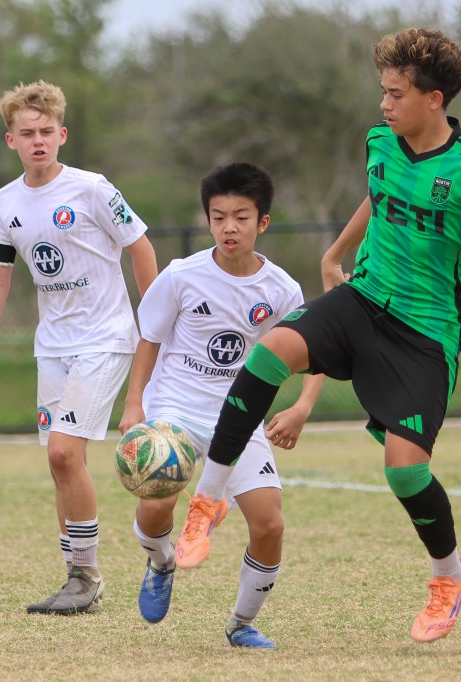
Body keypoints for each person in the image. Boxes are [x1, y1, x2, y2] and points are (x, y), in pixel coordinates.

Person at [173, 28, 461, 644]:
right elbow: (377, 197)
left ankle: (450, 577)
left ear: (434, 98)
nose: (384, 104)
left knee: (405, 471)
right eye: (382, 92)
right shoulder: (379, 142)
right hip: (364, 297)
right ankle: (206, 503)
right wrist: (337, 252)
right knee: (270, 353)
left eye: (396, 93)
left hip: (426, 330)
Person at [0, 80, 158, 615]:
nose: (38, 140)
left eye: (47, 131)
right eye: (28, 133)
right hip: (53, 346)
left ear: (62, 134)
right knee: (61, 465)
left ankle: (86, 576)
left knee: (63, 452)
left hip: (107, 338)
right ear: (11, 140)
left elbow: (140, 247)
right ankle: (76, 577)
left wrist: (155, 323)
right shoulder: (5, 203)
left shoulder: (93, 189)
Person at [118, 162, 323, 648]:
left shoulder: (281, 290)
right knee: (159, 501)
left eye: (241, 217)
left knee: (270, 523)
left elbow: (317, 352)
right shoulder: (182, 276)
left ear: (263, 222)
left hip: (241, 418)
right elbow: (149, 338)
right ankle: (161, 561)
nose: (229, 227)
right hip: (175, 408)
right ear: (208, 220)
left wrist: (302, 407)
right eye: (219, 217)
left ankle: (241, 623)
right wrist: (133, 406)